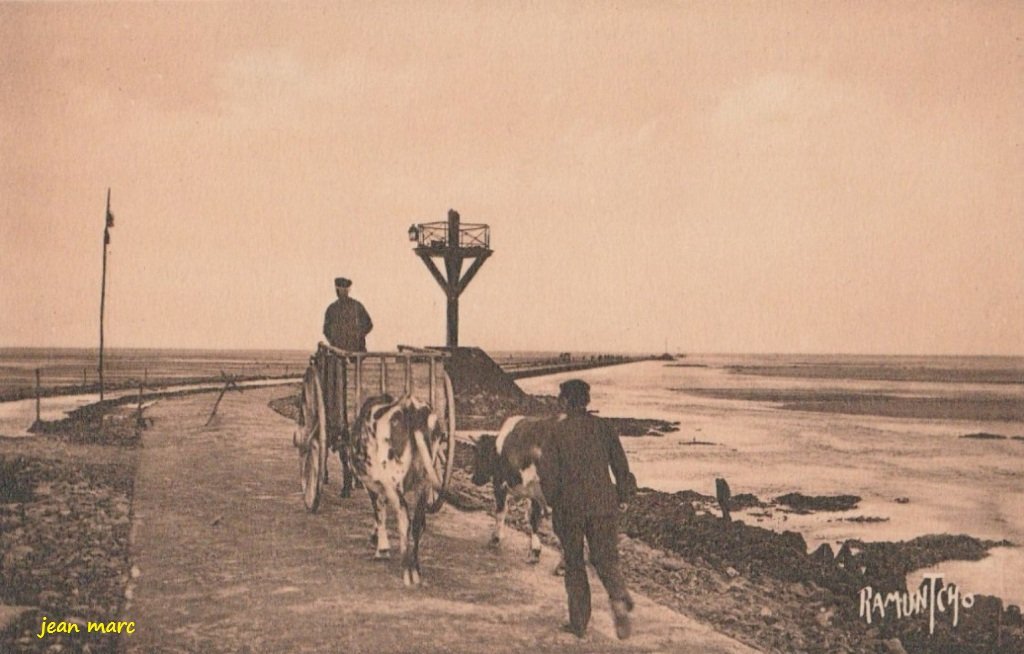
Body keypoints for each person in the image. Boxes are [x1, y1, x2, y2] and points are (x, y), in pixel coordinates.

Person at [539, 379, 636, 640]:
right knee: (605, 558)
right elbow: (620, 465)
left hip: (570, 508)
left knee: (574, 564)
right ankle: (617, 598)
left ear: (566, 402)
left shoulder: (557, 433)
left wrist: (554, 501)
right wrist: (624, 495)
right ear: (587, 401)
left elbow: (547, 474)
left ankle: (579, 623)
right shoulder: (604, 427)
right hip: (604, 504)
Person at [322, 277, 373, 351]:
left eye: (344, 289)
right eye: (340, 289)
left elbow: (368, 324)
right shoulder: (331, 309)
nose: (341, 291)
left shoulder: (357, 306)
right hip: (339, 353)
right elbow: (326, 330)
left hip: (355, 351)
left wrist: (357, 336)